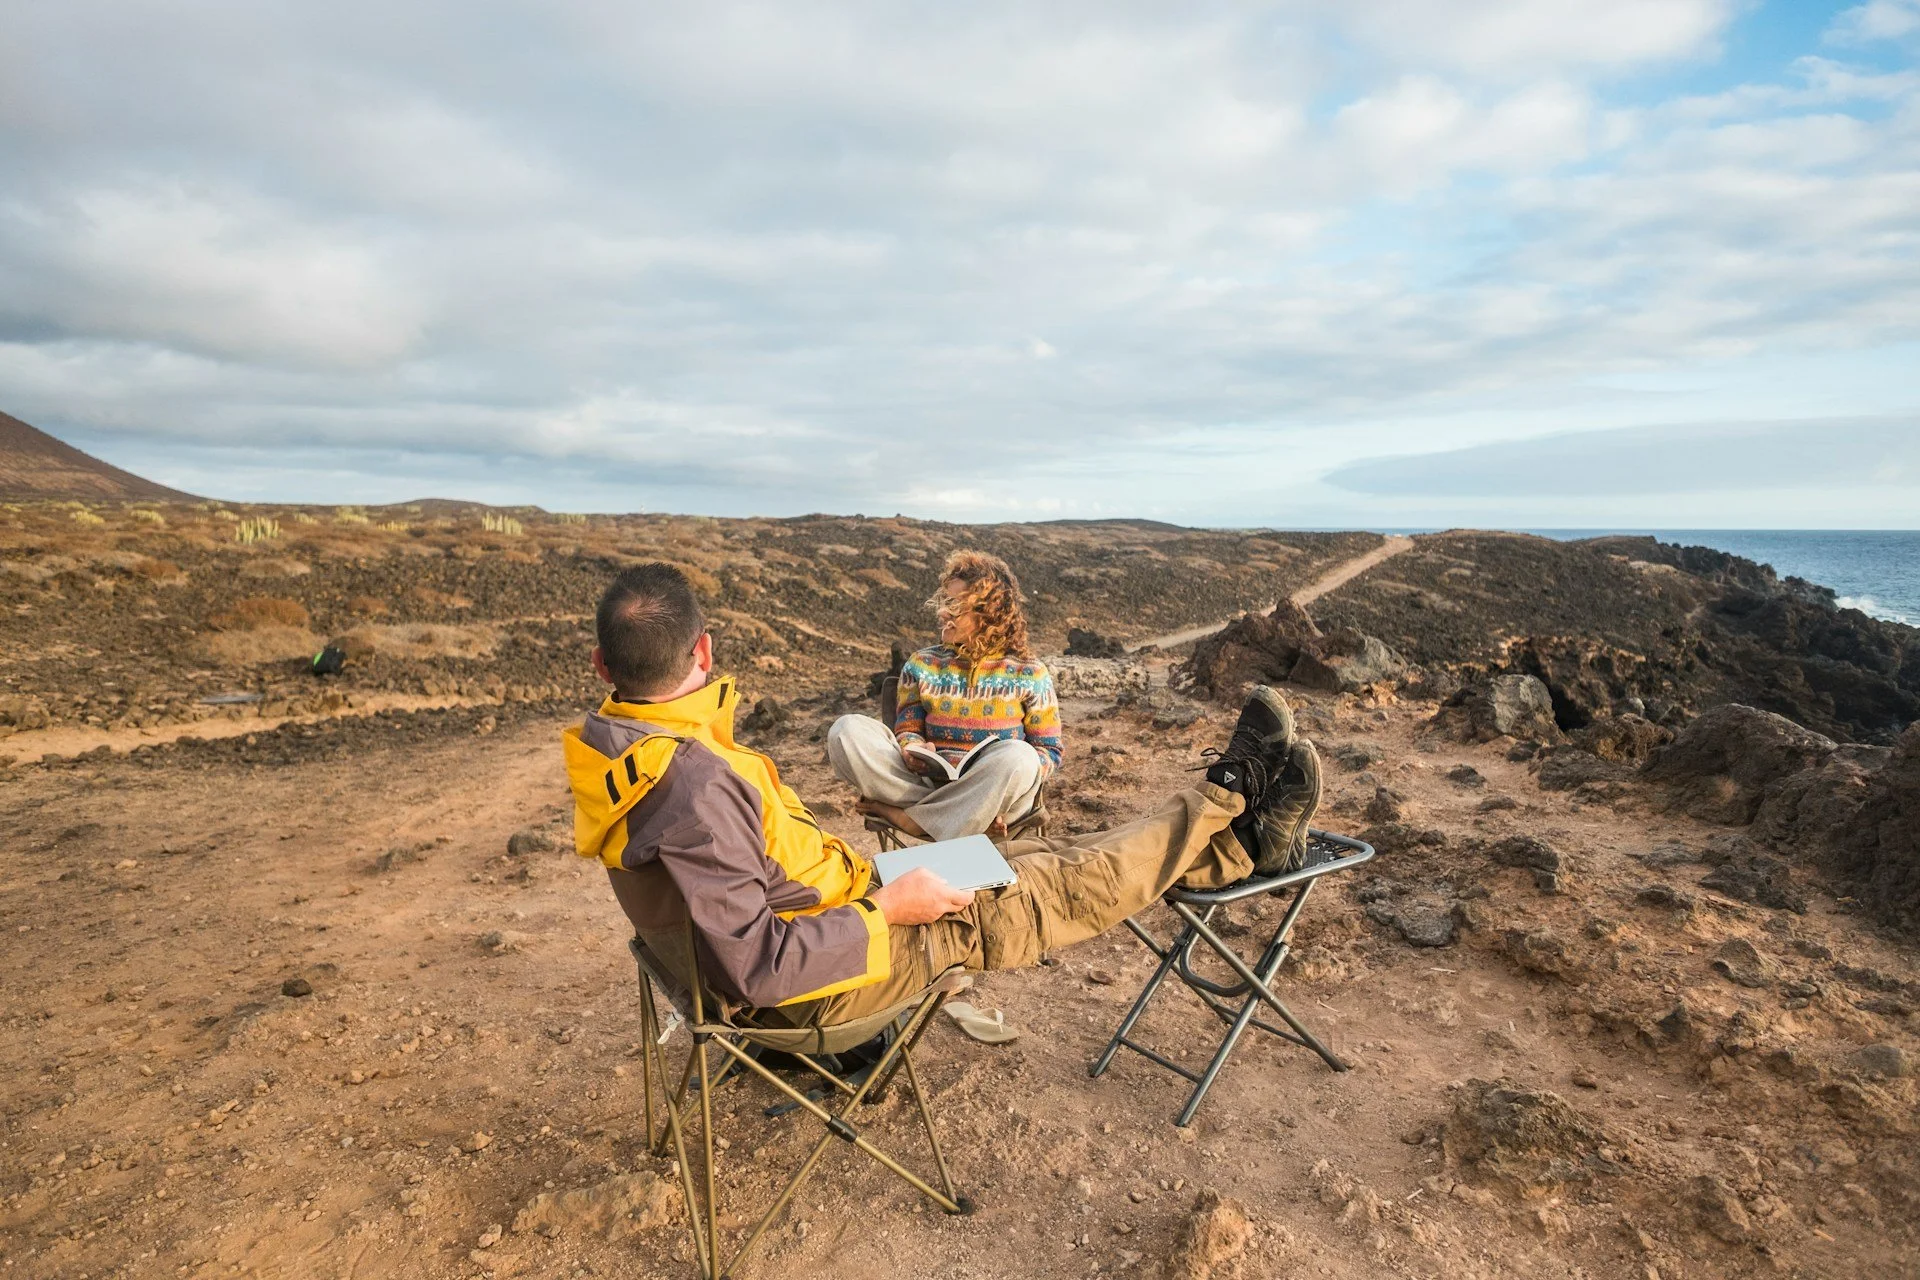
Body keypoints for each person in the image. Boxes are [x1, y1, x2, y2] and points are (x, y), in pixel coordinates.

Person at [565, 562, 1322, 1027]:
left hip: (842, 905)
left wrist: (875, 890)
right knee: (1054, 882)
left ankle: (1240, 843)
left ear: (604, 667)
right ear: (704, 650)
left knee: (1033, 850)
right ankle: (1229, 806)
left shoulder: (621, 748)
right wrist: (888, 910)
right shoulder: (693, 783)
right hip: (832, 972)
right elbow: (758, 968)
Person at [827, 551, 1060, 841]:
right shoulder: (922, 664)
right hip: (927, 786)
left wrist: (995, 780)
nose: (942, 613)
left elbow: (1048, 751)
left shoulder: (1030, 673)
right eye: (943, 602)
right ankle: (963, 822)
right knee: (846, 731)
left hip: (994, 795)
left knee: (1019, 757)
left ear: (990, 613)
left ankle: (915, 820)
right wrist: (912, 749)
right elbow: (908, 729)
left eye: (954, 605)